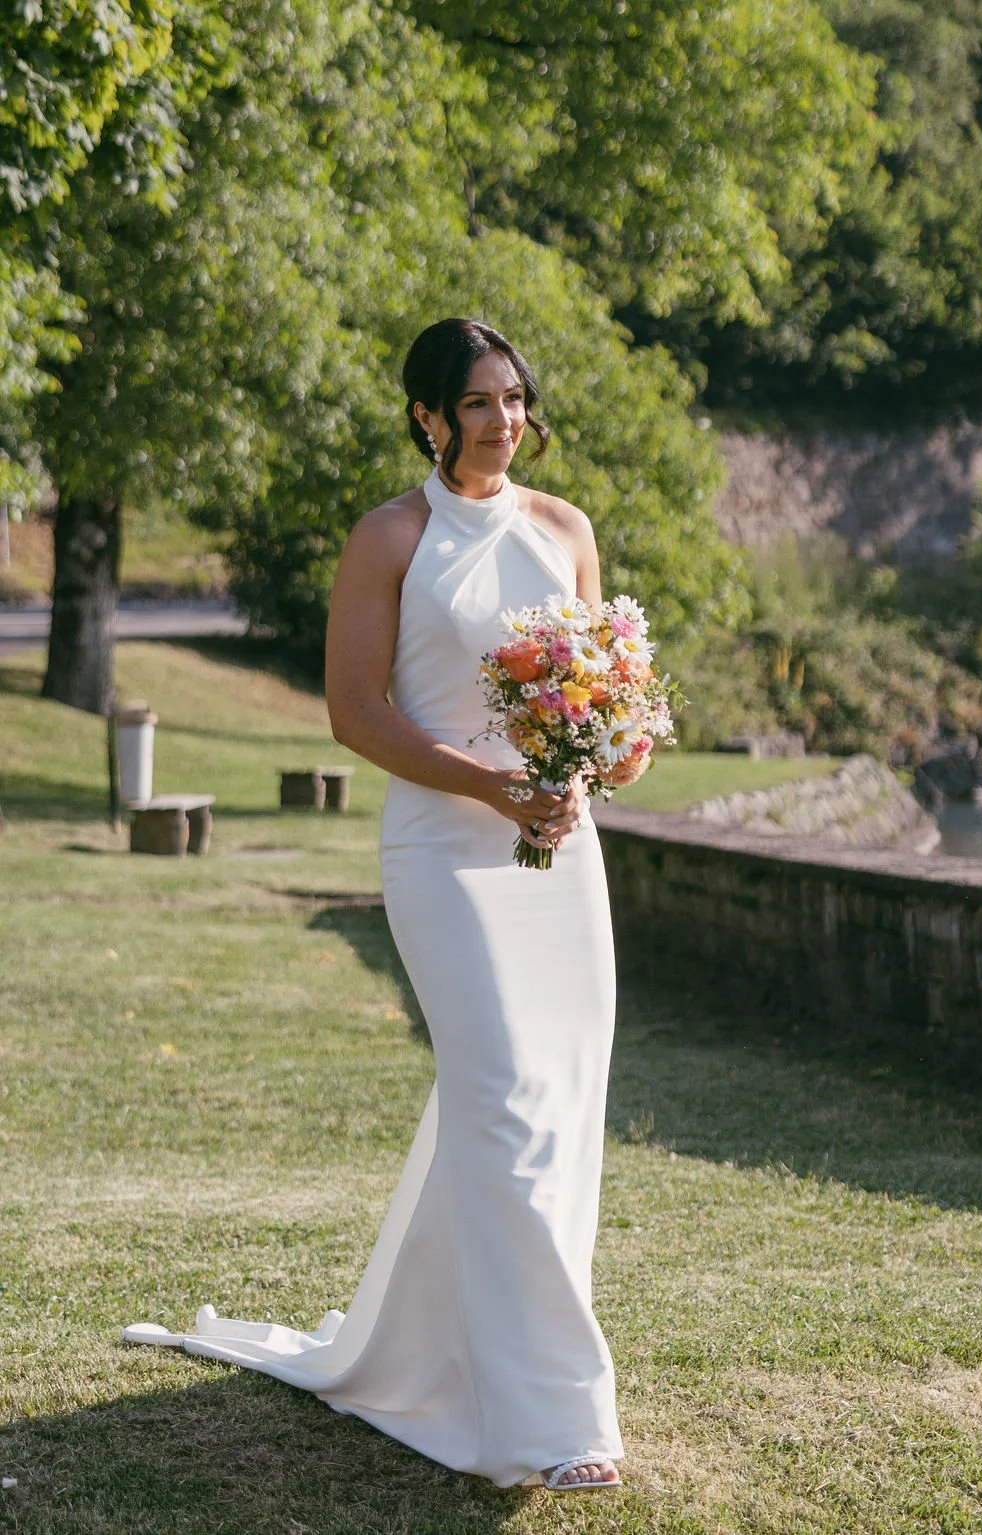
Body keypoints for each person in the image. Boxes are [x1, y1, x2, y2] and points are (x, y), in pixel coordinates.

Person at [123, 317, 623, 1492]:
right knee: (502, 1098)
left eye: (514, 398)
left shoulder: (564, 528)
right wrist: (492, 786)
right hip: (445, 851)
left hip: (559, 855)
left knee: (552, 1109)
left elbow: (599, 693)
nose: (504, 420)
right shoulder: (390, 536)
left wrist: (600, 761)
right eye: (479, 402)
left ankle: (445, 1351)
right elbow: (356, 712)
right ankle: (554, 1418)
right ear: (427, 416)